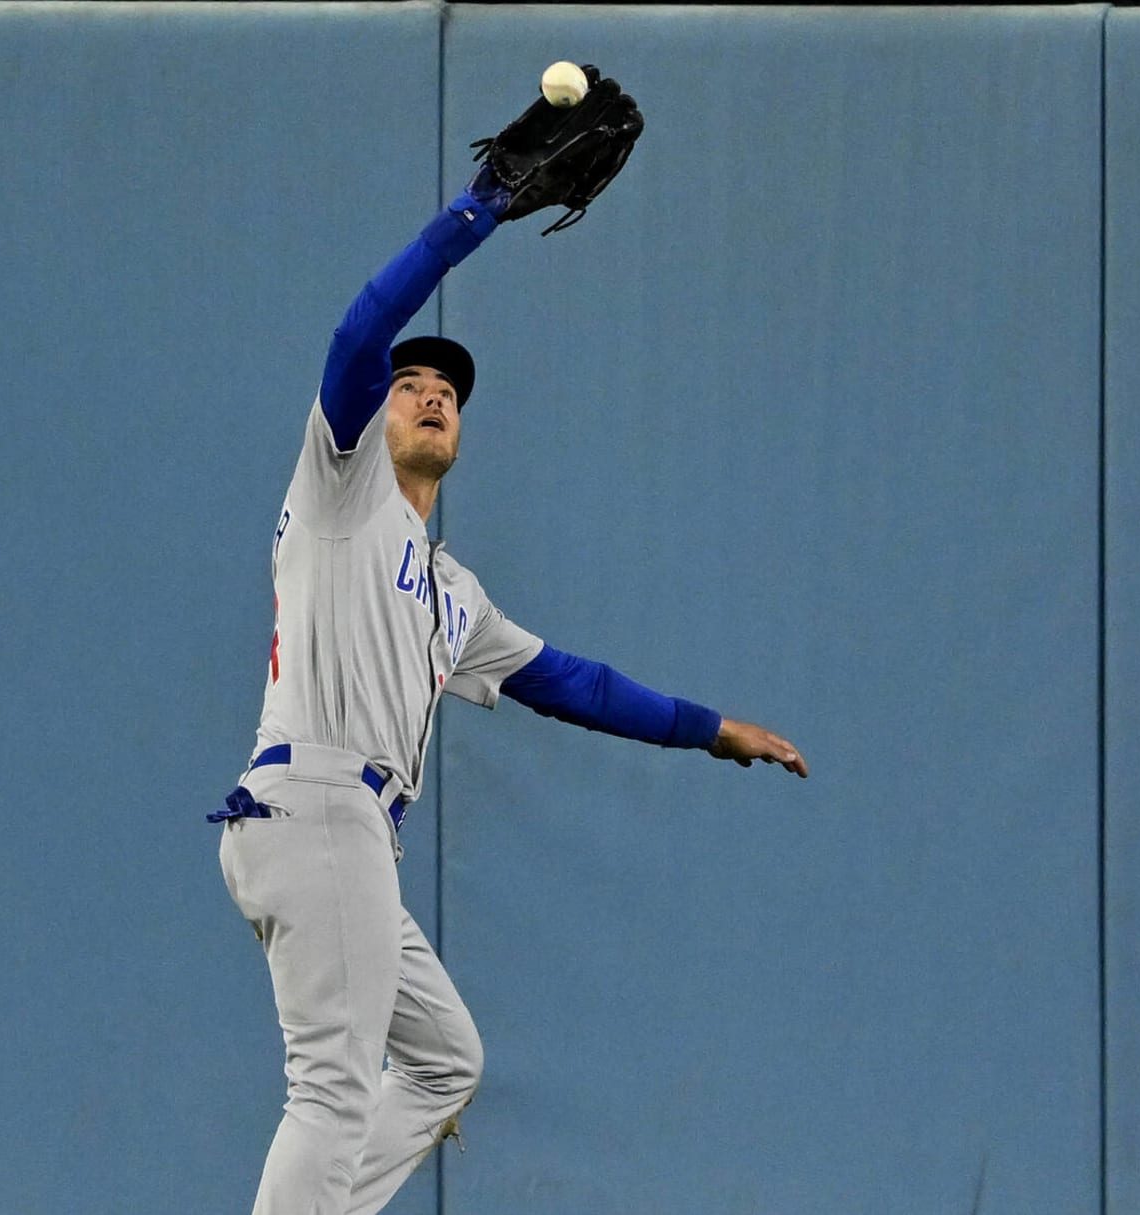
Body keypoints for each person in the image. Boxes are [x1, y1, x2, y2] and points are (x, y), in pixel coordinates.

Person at [209, 170, 808, 1215]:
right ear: (372, 413)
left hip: (340, 833)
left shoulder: (453, 594)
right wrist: (478, 210)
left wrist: (712, 732)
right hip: (314, 808)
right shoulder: (342, 485)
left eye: (449, 392)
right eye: (413, 385)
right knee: (334, 1093)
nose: (434, 393)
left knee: (443, 1061)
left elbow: (570, 682)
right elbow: (360, 332)